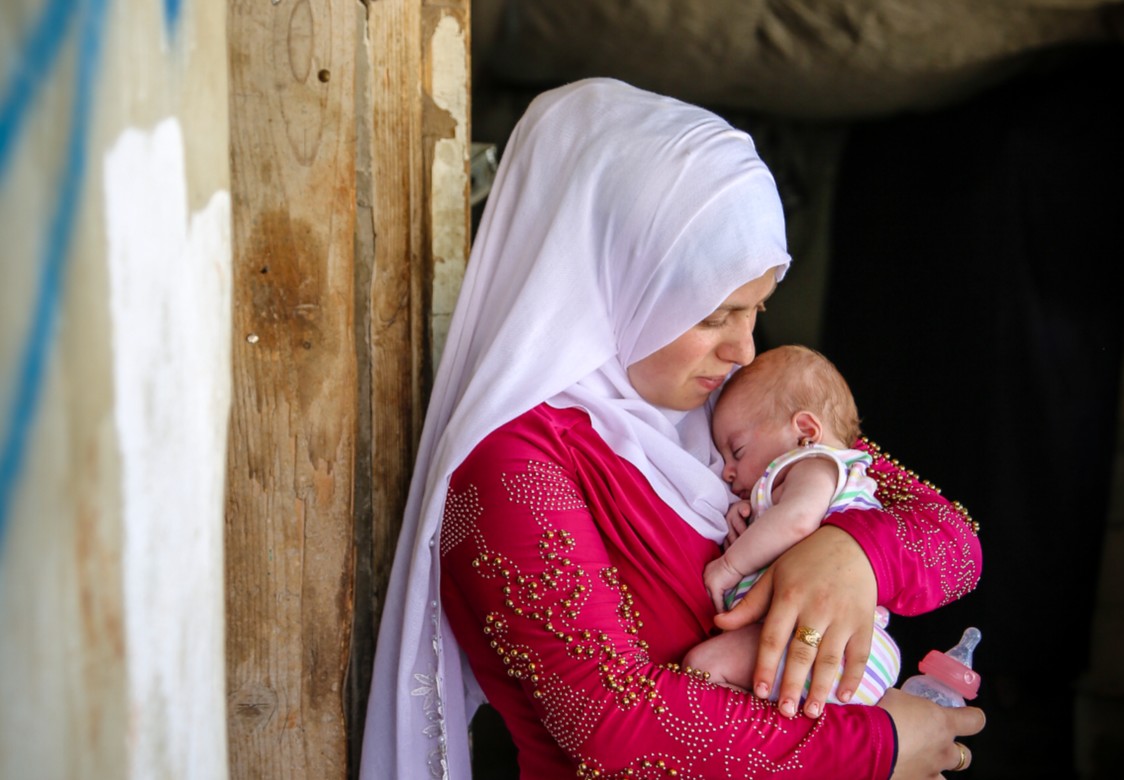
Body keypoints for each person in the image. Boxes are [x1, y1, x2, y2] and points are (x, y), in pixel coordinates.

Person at [360, 77, 985, 780]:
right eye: (714, 315)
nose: (743, 350)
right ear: (617, 275)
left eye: (757, 311)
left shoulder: (729, 411)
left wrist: (851, 552)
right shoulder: (511, 464)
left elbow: (953, 540)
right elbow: (613, 728)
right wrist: (877, 748)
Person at [685, 345, 901, 708]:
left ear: (804, 430)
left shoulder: (815, 464)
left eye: (737, 451)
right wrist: (751, 510)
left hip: (829, 643)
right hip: (844, 647)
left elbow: (798, 520)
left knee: (702, 667)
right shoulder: (832, 477)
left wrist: (729, 566)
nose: (726, 471)